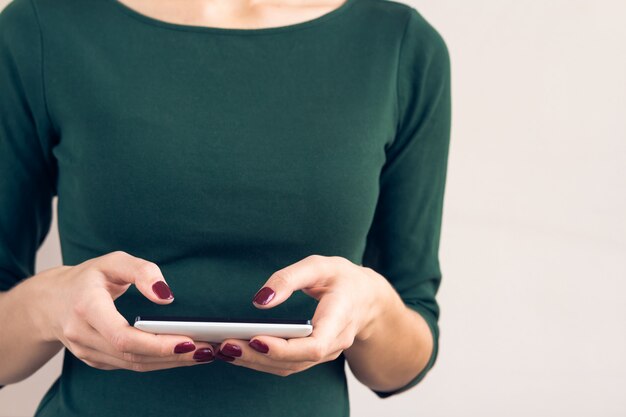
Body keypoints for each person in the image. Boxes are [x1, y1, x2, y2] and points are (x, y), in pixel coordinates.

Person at [0, 0, 451, 415]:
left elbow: (403, 364)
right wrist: (48, 306)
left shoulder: (398, 45)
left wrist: (371, 309)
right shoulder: (40, 28)